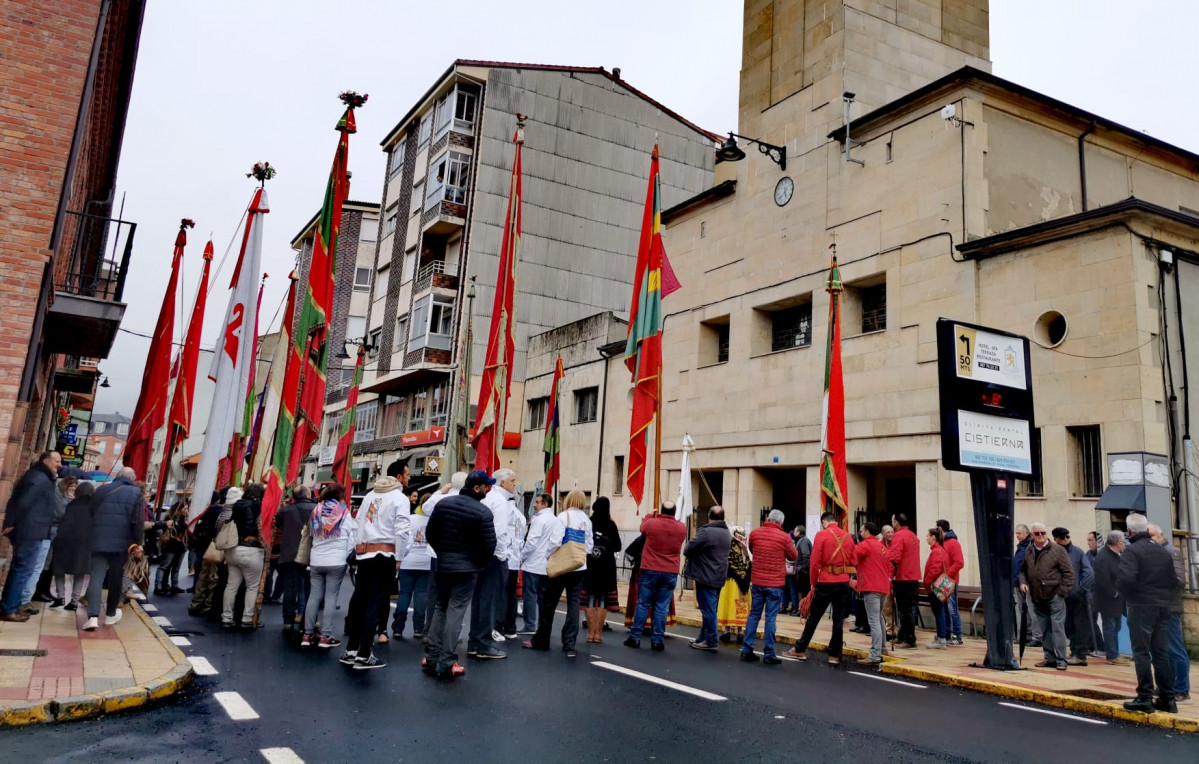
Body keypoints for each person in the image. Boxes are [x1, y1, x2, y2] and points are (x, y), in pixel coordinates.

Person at [424, 470, 497, 679]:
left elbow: (431, 534)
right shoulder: (483, 512)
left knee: (440, 608)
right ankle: (447, 661)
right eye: (486, 486)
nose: (488, 489)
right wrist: (478, 563)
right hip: (467, 568)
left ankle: (431, 657)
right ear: (476, 488)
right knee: (456, 612)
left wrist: (443, 553)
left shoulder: (443, 504)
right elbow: (489, 546)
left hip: (444, 564)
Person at [342, 470, 411, 670]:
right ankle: (364, 654)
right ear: (397, 483)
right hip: (385, 554)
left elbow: (357, 525)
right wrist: (400, 557)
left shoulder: (370, 496)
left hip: (365, 553)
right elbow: (402, 530)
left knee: (359, 601)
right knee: (375, 602)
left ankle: (351, 650)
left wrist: (356, 550)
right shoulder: (400, 498)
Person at [1121, 514, 1183, 712]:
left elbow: (1126, 579)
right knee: (1161, 652)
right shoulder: (1162, 551)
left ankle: (1145, 697)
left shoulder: (1132, 552)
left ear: (1130, 531)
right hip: (1163, 606)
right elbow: (1174, 580)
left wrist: (1128, 596)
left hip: (1141, 605)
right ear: (1147, 530)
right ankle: (1167, 697)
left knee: (1141, 652)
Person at [525, 489, 594, 657]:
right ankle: (569, 643)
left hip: (562, 565)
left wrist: (549, 555)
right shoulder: (587, 520)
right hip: (579, 567)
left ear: (568, 500)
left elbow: (555, 541)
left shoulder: (563, 517)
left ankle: (542, 640)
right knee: (573, 604)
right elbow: (590, 546)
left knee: (549, 603)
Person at [1, 451, 66, 621]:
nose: (59, 464)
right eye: (56, 461)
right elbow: (22, 503)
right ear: (46, 461)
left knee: (20, 569)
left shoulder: (41, 477)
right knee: (23, 570)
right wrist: (10, 523)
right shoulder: (39, 478)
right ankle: (9, 609)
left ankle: (9, 606)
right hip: (31, 531)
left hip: (32, 530)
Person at [784, 511, 856, 664]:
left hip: (825, 581)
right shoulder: (847, 536)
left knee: (814, 618)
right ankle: (834, 655)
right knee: (838, 620)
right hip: (843, 582)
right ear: (835, 521)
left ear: (824, 522)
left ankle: (800, 648)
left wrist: (814, 582)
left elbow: (815, 562)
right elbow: (853, 560)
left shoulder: (821, 535)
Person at [81, 467, 144, 631]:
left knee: (96, 577)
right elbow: (137, 521)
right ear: (132, 478)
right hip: (121, 544)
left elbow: (90, 513)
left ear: (117, 476)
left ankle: (93, 616)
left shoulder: (101, 490)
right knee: (116, 579)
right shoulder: (135, 493)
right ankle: (110, 615)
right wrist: (138, 543)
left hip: (98, 540)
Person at [624, 501, 687, 651]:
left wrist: (649, 516)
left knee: (643, 604)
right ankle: (657, 640)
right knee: (661, 607)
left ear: (661, 511)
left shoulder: (651, 524)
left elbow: (642, 528)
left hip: (650, 569)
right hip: (670, 571)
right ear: (674, 512)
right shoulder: (682, 528)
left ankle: (635, 637)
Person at [739, 509, 796, 665]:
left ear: (768, 518)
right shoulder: (784, 537)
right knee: (771, 617)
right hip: (775, 584)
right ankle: (769, 653)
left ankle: (747, 649)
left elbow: (751, 549)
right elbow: (794, 556)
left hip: (757, 581)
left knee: (754, 615)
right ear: (781, 522)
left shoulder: (755, 534)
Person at [469, 468, 515, 659]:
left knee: (479, 599)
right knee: (490, 600)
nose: (514, 484)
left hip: (480, 555)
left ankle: (475, 639)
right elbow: (499, 532)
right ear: (502, 483)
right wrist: (501, 555)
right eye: (512, 480)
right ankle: (483, 643)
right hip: (494, 556)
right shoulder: (500, 502)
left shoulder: (487, 498)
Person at [301, 483, 354, 649]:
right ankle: (325, 636)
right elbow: (350, 536)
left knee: (314, 597)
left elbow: (310, 534)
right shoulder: (344, 513)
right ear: (339, 496)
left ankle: (307, 634)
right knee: (331, 597)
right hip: (337, 560)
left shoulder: (316, 511)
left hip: (316, 559)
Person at [1019, 522, 1074, 670]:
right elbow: (1023, 570)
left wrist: (1062, 592)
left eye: (1043, 533)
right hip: (1037, 596)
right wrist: (1023, 583)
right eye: (1037, 533)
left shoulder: (1057, 550)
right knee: (1045, 628)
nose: (1041, 536)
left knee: (1057, 628)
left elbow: (1069, 573)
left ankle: (1061, 659)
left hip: (1055, 595)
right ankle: (1049, 657)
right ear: (1032, 536)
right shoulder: (1029, 551)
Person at [1148, 523, 1191, 704]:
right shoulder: (1155, 553)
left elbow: (1180, 581)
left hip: (1170, 608)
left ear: (1160, 535)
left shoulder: (1170, 552)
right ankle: (1168, 686)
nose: (1149, 539)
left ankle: (1182, 689)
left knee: (1175, 649)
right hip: (1158, 607)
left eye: (1151, 536)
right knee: (1162, 649)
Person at [420, 471, 465, 639]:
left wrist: (440, 491)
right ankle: (451, 633)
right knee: (456, 598)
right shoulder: (468, 501)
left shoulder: (440, 499)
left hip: (437, 554)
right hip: (459, 556)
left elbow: (425, 508)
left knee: (435, 594)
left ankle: (429, 631)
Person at [683, 505, 731, 651]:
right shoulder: (727, 532)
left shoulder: (706, 531)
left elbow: (688, 549)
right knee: (710, 609)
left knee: (708, 610)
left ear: (709, 516)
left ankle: (711, 639)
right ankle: (702, 636)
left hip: (705, 575)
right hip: (719, 575)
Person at [220, 484, 266, 630]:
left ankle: (227, 617)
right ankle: (247, 618)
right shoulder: (261, 506)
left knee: (231, 585)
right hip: (252, 549)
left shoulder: (236, 505)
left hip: (234, 547)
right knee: (252, 587)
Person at [275, 485, 317, 634]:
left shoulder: (285, 510)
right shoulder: (316, 508)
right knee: (311, 589)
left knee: (290, 589)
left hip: (289, 554)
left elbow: (277, 523)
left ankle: (288, 620)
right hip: (311, 554)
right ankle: (310, 619)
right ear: (307, 494)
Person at [582, 496, 623, 643]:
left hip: (591, 565)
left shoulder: (589, 522)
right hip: (606, 567)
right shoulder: (611, 525)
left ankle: (590, 633)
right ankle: (598, 634)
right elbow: (618, 546)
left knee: (591, 599)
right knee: (603, 600)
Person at [392, 491, 431, 640]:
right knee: (421, 595)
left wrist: (400, 557)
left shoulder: (410, 518)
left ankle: (398, 627)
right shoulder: (433, 521)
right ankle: (418, 629)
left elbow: (403, 538)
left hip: (408, 561)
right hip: (426, 562)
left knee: (405, 593)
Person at [1052, 526, 1094, 665]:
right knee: (1068, 626)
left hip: (1078, 596)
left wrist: (1081, 589)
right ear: (1056, 539)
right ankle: (1074, 651)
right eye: (1062, 537)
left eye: (1067, 537)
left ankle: (1081, 655)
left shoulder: (1077, 552)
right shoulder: (1053, 552)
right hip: (1062, 596)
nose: (1066, 540)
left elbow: (1088, 572)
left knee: (1081, 626)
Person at [50, 481, 95, 610]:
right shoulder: (94, 508)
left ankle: (60, 596)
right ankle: (74, 601)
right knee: (79, 572)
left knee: (59, 570)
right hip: (85, 544)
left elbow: (65, 524)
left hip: (66, 541)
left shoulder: (72, 505)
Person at [854, 522, 891, 665]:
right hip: (883, 587)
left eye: (862, 530)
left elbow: (853, 555)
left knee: (873, 620)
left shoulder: (866, 544)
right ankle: (882, 648)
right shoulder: (882, 547)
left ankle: (875, 654)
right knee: (879, 617)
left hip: (871, 586)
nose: (860, 532)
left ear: (867, 532)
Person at [520, 493, 556, 635]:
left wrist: (522, 556)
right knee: (543, 596)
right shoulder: (555, 520)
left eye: (538, 502)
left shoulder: (539, 520)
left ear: (545, 504)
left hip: (533, 563)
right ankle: (542, 624)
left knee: (529, 594)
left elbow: (531, 542)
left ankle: (529, 624)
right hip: (547, 564)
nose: (535, 504)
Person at [1092, 530, 1128, 666]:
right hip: (1108, 600)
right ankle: (1112, 655)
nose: (1125, 544)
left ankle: (1115, 653)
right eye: (1123, 542)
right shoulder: (1103, 557)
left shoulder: (1118, 554)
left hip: (1118, 600)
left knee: (1116, 626)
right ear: (1117, 543)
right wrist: (1115, 593)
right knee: (1110, 626)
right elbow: (1102, 580)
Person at [188, 491, 226, 617]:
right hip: (215, 547)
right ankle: (207, 606)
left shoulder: (208, 510)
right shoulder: (223, 512)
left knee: (203, 575)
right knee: (212, 577)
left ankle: (196, 603)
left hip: (205, 545)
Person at [498, 481, 527, 640]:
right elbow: (520, 539)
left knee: (501, 594)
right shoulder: (521, 518)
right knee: (512, 595)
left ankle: (500, 625)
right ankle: (511, 627)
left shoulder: (505, 514)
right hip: (515, 560)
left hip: (505, 558)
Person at [887, 513, 920, 649]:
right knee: (905, 609)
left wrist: (889, 575)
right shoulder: (913, 536)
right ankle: (902, 635)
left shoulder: (899, 536)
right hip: (913, 576)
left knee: (904, 609)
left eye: (893, 521)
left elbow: (894, 557)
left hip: (903, 576)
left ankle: (910, 639)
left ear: (896, 523)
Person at [718, 526, 752, 643]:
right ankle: (740, 632)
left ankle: (727, 631)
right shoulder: (744, 548)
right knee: (740, 606)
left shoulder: (729, 546)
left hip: (731, 582)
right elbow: (748, 563)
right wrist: (743, 575)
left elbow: (728, 563)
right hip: (743, 583)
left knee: (729, 605)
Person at [1013, 524, 1043, 647]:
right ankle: (1026, 634)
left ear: (1026, 533)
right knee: (1022, 610)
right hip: (1017, 582)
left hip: (1029, 583)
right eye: (1016, 534)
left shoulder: (1031, 547)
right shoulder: (1020, 547)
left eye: (1019, 533)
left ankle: (1037, 636)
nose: (1017, 536)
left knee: (1032, 610)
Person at [936, 519, 965, 646]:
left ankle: (957, 635)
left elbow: (959, 562)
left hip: (949, 580)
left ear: (941, 529)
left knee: (952, 609)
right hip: (944, 580)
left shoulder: (952, 543)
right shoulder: (943, 543)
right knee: (946, 609)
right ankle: (947, 634)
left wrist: (946, 574)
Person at [922, 527, 951, 649]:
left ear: (933, 537)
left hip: (935, 586)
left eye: (928, 536)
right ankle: (941, 636)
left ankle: (941, 638)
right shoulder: (940, 550)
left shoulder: (936, 551)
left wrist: (927, 582)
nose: (926, 538)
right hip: (940, 585)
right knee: (941, 611)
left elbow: (934, 569)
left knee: (939, 611)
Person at [153, 502, 189, 596]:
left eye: (186, 508)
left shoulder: (185, 518)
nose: (186, 511)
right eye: (184, 508)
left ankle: (174, 585)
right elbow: (169, 529)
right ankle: (158, 586)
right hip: (171, 544)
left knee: (176, 567)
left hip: (181, 545)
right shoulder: (171, 517)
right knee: (165, 566)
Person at [781, 525, 804, 615]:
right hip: (788, 569)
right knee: (788, 588)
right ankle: (788, 606)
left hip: (790, 569)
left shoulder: (793, 543)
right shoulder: (795, 542)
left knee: (791, 588)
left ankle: (791, 606)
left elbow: (794, 556)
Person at [880, 524, 896, 636]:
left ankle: (892, 629)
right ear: (883, 534)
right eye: (888, 532)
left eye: (891, 532)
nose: (890, 534)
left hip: (895, 578)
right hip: (883, 578)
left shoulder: (896, 544)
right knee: (886, 607)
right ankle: (890, 629)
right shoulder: (879, 545)